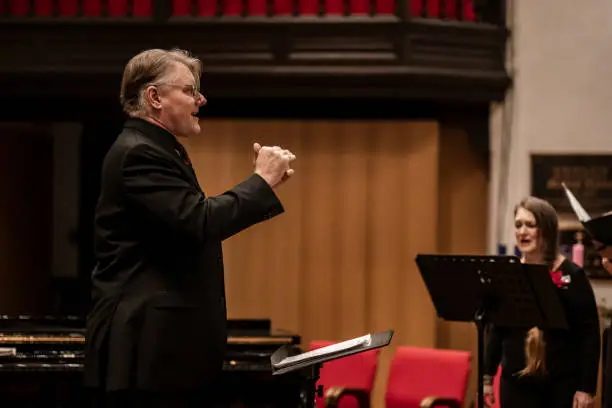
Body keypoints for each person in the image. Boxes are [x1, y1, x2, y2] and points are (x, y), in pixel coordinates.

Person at [83, 48, 296, 408]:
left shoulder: (156, 148)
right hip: (149, 350)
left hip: (161, 350)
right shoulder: (139, 152)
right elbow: (198, 221)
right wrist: (260, 181)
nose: (201, 99)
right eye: (189, 90)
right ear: (154, 97)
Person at [483, 196, 600, 408]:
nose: (522, 231)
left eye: (530, 225)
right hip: (515, 384)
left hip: (559, 385)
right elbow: (496, 328)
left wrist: (586, 388)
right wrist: (488, 377)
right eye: (518, 225)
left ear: (546, 229)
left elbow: (589, 335)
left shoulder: (572, 275)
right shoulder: (509, 273)